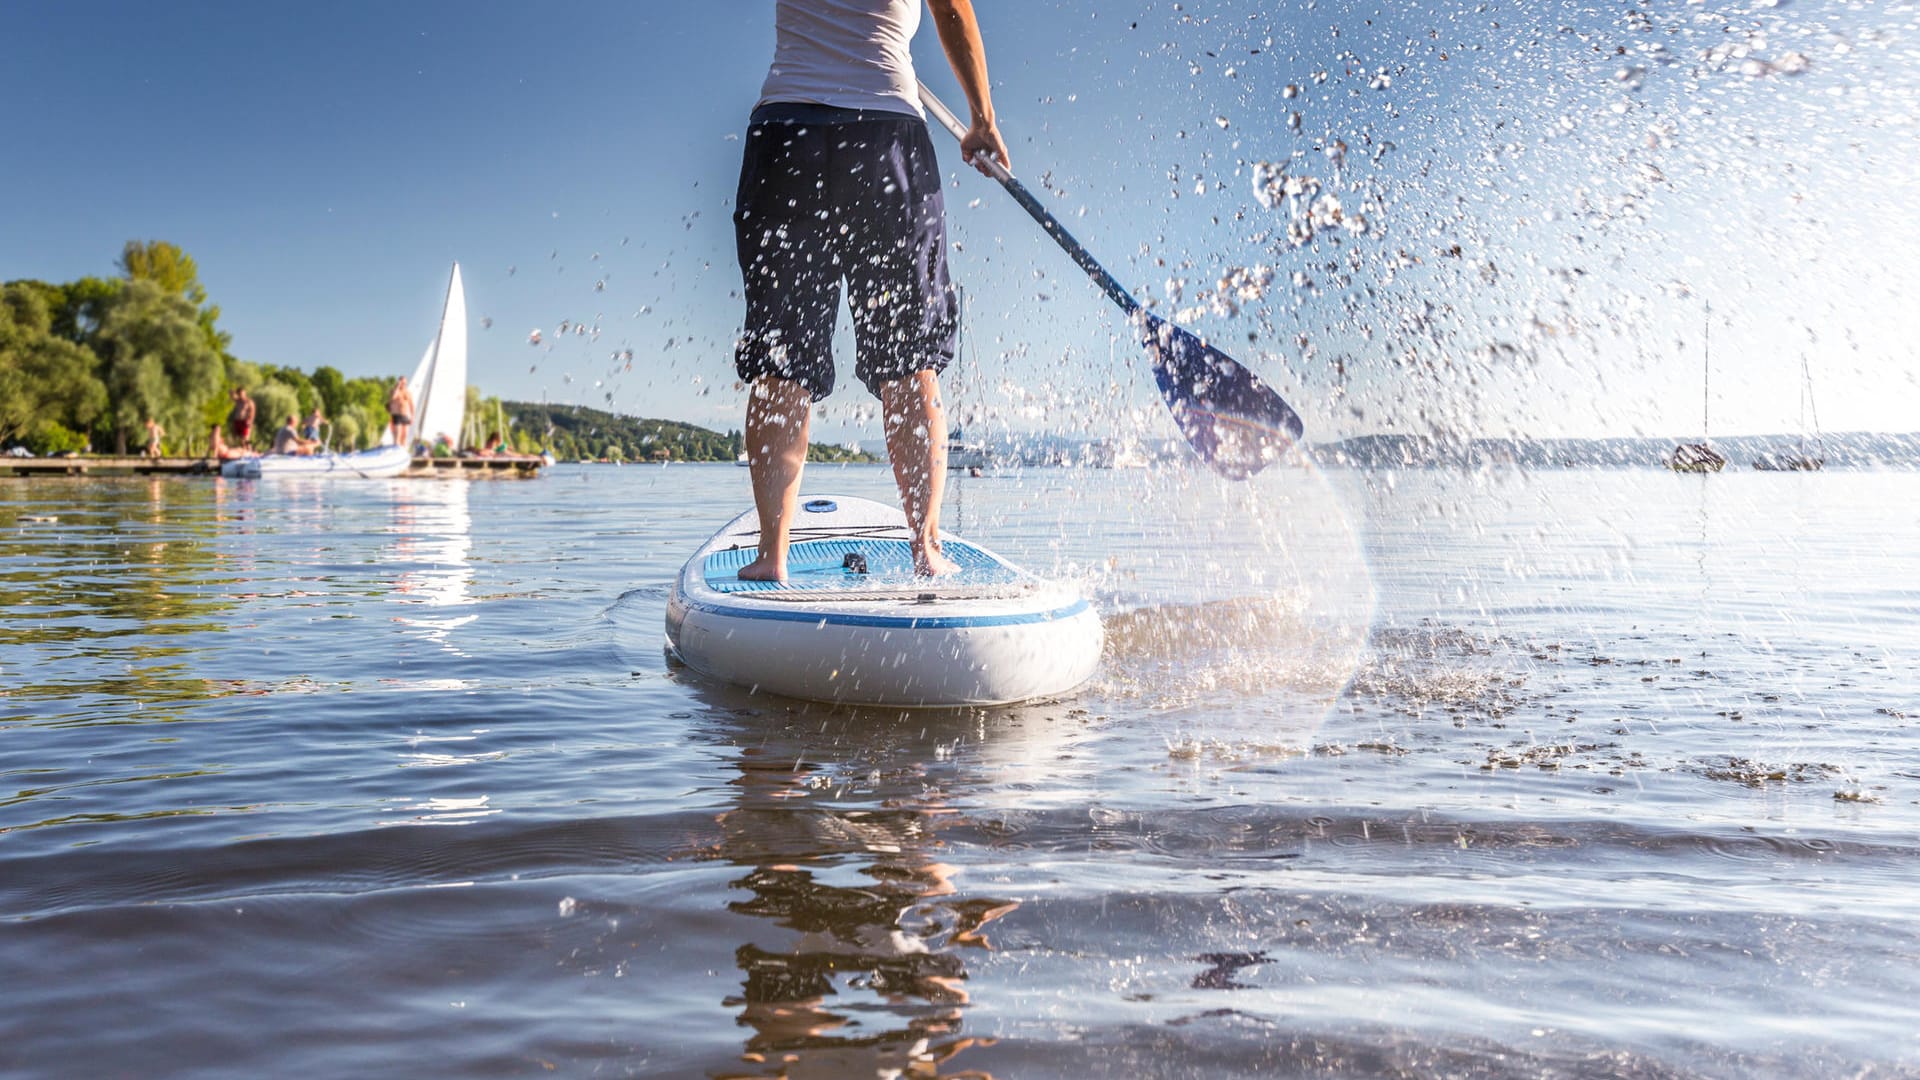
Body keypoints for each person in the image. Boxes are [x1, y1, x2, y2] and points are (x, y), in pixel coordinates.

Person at [732, 0, 1008, 582]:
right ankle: (926, 550)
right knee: (909, 361)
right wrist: (982, 118)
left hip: (787, 135)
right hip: (885, 136)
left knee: (782, 359)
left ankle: (771, 556)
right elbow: (953, 8)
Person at [388, 376, 414, 449]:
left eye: (405, 383)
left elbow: (411, 405)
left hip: (404, 415)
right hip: (396, 415)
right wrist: (397, 387)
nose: (404, 384)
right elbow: (393, 397)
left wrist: (412, 416)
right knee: (398, 435)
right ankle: (396, 448)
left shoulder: (407, 393)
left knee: (404, 435)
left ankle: (402, 449)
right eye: (402, 383)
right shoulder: (394, 391)